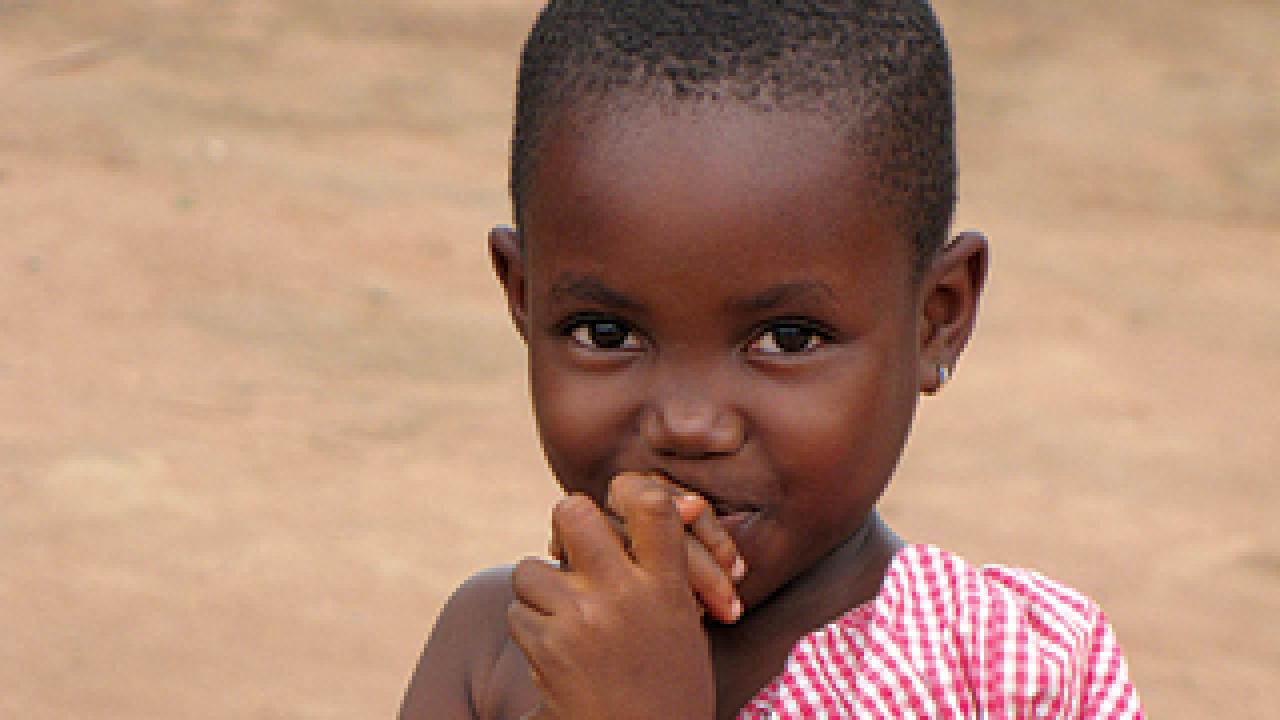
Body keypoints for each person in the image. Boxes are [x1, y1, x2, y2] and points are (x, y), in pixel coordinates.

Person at [399, 1, 1144, 718]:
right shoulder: (498, 651)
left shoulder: (1012, 672)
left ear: (936, 318)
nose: (688, 424)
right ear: (524, 300)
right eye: (605, 332)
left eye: (788, 339)